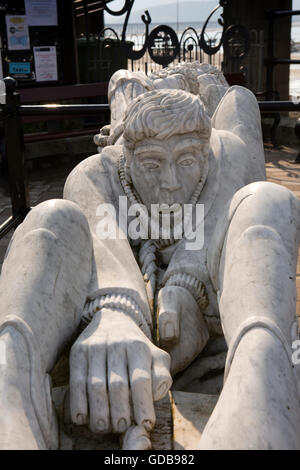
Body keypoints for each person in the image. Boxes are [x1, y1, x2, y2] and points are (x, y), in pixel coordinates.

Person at [0, 65, 300, 450]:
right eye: (153, 164)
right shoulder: (96, 173)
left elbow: (218, 245)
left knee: (270, 201)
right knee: (49, 217)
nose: (171, 181)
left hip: (215, 314)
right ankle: (11, 379)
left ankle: (262, 378)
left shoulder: (226, 154)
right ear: (128, 155)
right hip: (116, 327)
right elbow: (102, 251)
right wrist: (115, 313)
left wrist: (185, 285)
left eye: (188, 161)